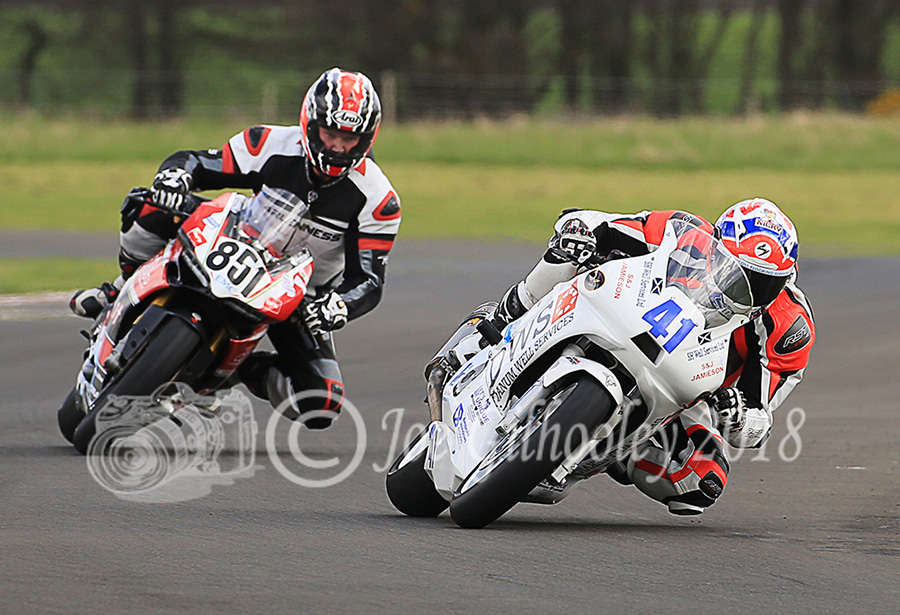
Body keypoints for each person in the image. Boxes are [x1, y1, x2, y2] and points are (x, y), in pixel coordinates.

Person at [70, 68, 401, 429]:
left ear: (368, 138)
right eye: (331, 133)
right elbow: (197, 162)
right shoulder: (270, 143)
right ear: (310, 123)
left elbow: (368, 280)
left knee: (321, 403)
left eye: (350, 139)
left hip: (296, 296)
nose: (338, 146)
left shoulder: (378, 200)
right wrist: (174, 177)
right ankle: (121, 286)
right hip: (231, 241)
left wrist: (337, 306)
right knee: (151, 203)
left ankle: (239, 370)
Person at [490, 199, 815, 515]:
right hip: (621, 313)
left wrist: (738, 415)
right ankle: (504, 318)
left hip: (687, 391)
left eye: (765, 283)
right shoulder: (683, 232)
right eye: (736, 271)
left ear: (787, 279)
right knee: (568, 252)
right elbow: (600, 223)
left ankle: (617, 452)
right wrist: (582, 231)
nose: (749, 289)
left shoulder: (789, 328)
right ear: (716, 245)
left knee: (702, 482)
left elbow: (758, 421)